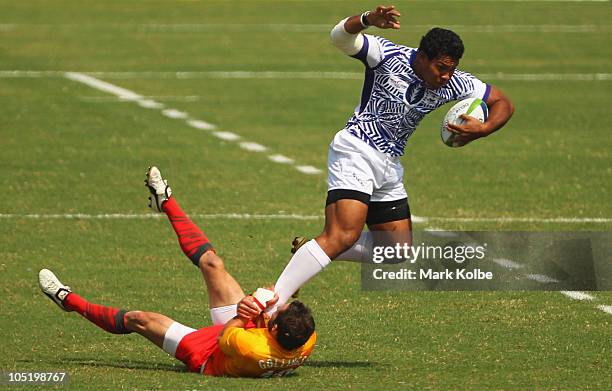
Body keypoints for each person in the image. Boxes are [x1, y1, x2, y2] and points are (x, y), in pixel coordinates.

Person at [268, 5, 515, 311]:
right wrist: (367, 20)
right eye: (441, 67)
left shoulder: (453, 83)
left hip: (389, 165)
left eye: (451, 68)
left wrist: (485, 128)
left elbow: (502, 100)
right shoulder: (387, 55)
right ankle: (270, 302)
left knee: (396, 251)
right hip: (357, 149)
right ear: (422, 57)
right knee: (343, 234)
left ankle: (314, 249)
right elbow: (339, 38)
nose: (446, 76)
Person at [38, 166, 316, 378]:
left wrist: (248, 311)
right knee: (212, 264)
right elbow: (276, 308)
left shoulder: (251, 349)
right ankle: (165, 201)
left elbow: (226, 335)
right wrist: (268, 300)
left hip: (211, 353)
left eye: (279, 313)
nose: (281, 308)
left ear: (275, 328)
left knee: (139, 319)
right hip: (247, 331)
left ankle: (68, 301)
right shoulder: (305, 338)